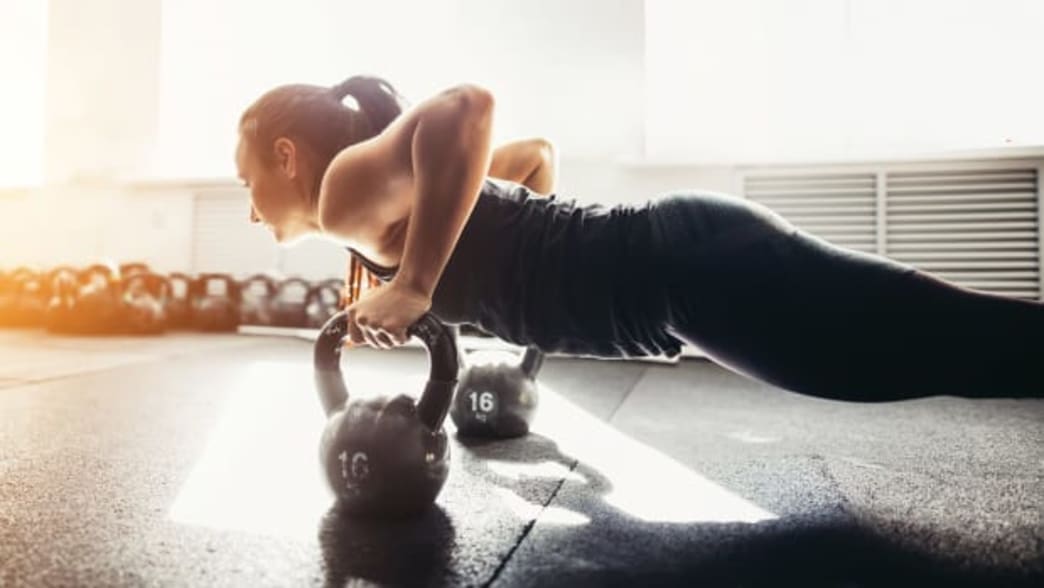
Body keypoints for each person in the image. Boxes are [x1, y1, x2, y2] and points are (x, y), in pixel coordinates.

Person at [235, 76, 1042, 402]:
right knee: (936, 350)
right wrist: (511, 306)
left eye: (246, 184)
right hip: (684, 276)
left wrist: (416, 283)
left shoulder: (342, 192)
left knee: (943, 348)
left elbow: (467, 108)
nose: (247, 211)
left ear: (285, 156)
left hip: (683, 271)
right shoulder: (370, 207)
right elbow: (530, 160)